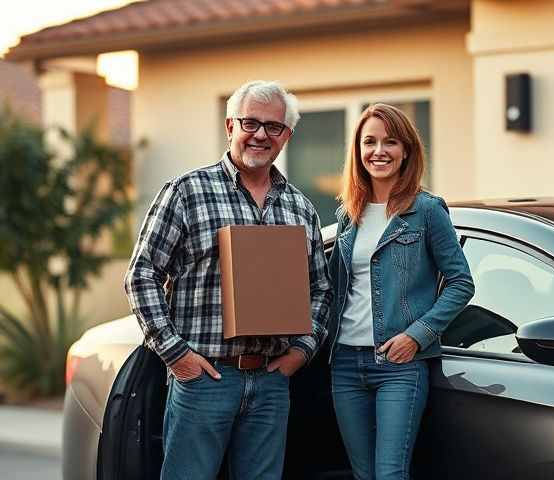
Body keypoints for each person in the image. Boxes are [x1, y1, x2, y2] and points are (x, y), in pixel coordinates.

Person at [124, 80, 332, 480]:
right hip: (205, 379)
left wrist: (301, 353)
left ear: (286, 136)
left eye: (273, 127)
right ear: (230, 127)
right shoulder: (186, 193)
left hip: (272, 382)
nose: (260, 135)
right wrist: (177, 356)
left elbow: (320, 290)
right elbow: (142, 274)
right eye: (250, 122)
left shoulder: (301, 209)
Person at [327, 103, 475, 480]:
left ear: (406, 149)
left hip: (398, 366)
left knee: (390, 474)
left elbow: (461, 283)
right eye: (370, 142)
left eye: (390, 141)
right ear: (358, 151)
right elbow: (330, 289)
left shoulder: (426, 210)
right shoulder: (350, 213)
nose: (379, 151)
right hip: (344, 364)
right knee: (363, 475)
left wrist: (417, 335)